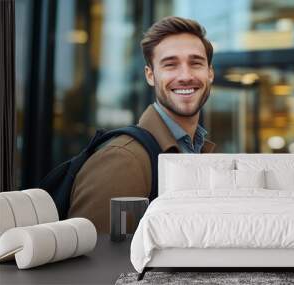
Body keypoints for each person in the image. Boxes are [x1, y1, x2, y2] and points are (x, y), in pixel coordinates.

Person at [68, 16, 216, 233]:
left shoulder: (198, 151)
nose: (185, 76)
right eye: (170, 65)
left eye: (195, 63)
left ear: (210, 73)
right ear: (150, 75)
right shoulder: (123, 160)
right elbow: (95, 260)